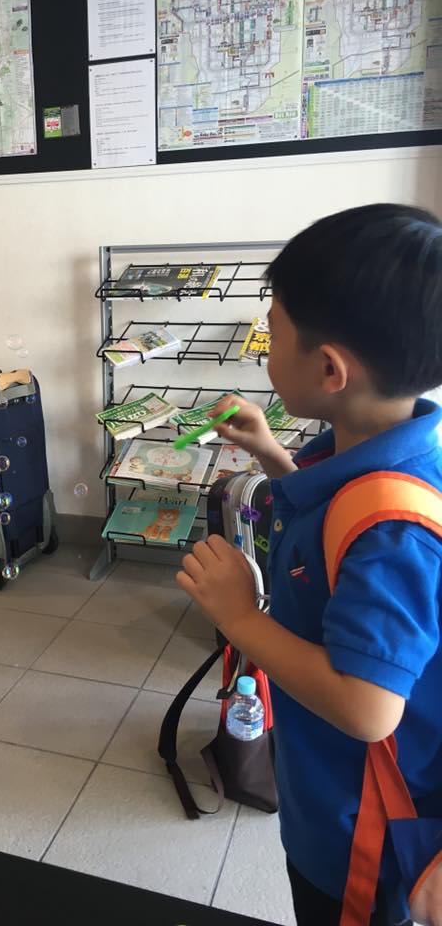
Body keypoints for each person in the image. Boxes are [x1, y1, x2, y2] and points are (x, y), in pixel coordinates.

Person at [177, 204, 442, 925]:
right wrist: (272, 454)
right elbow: (337, 536)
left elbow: (367, 708)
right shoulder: (386, 453)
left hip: (364, 840)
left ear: (329, 369)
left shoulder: (395, 530)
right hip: (333, 796)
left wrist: (239, 617)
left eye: (273, 332)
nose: (266, 349)